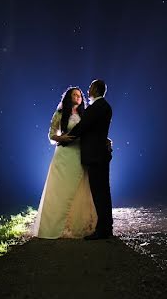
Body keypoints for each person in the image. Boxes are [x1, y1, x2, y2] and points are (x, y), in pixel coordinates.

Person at [31, 86, 98, 239]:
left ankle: (78, 225)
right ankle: (52, 227)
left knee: (80, 188)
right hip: (63, 154)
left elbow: (92, 132)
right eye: (75, 95)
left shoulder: (84, 115)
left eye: (80, 95)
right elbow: (51, 134)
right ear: (69, 97)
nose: (78, 97)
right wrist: (61, 138)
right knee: (59, 190)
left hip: (79, 154)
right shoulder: (60, 113)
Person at [59, 79, 113, 240]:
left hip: (95, 156)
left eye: (90, 87)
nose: (88, 89)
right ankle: (107, 227)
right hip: (102, 154)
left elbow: (82, 128)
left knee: (99, 193)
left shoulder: (95, 108)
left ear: (96, 89)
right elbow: (97, 130)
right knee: (104, 192)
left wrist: (65, 140)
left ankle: (102, 230)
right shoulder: (106, 106)